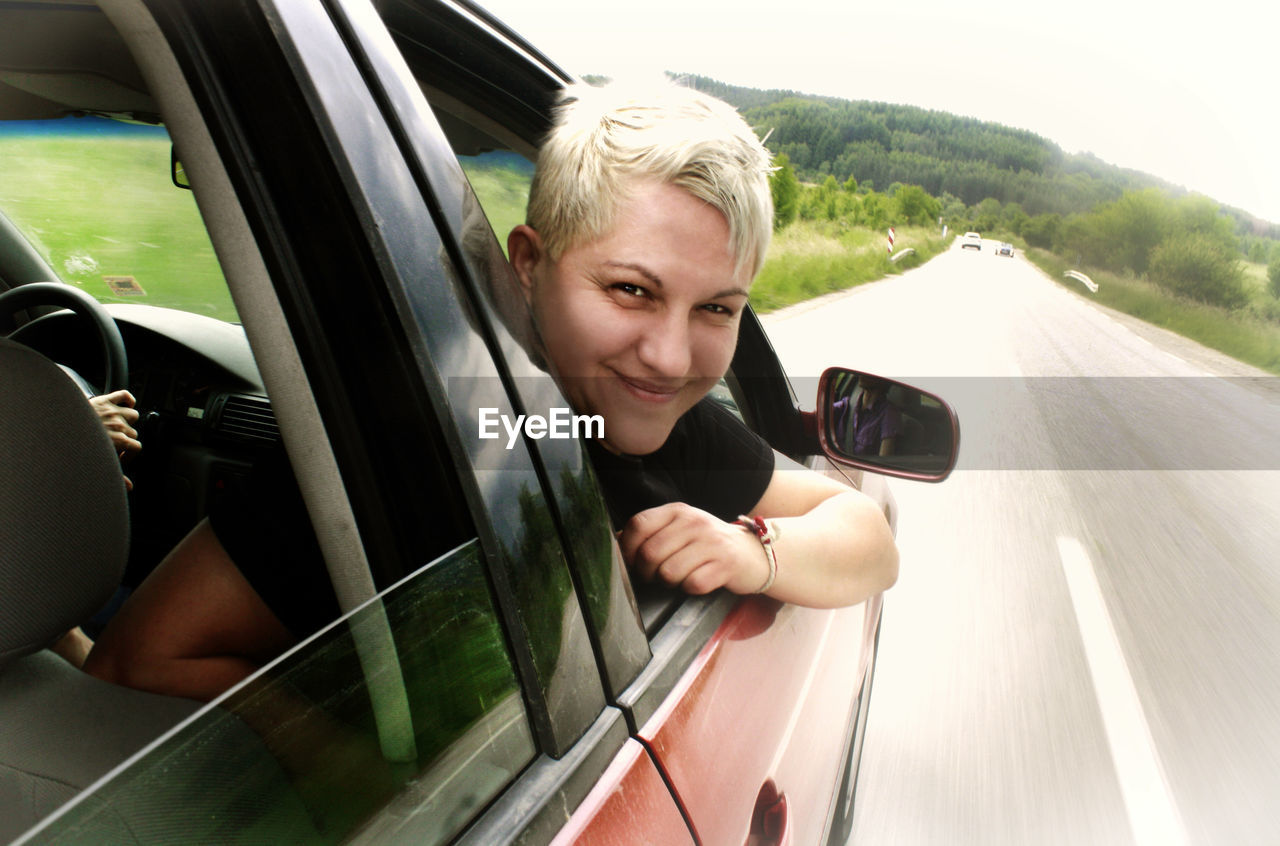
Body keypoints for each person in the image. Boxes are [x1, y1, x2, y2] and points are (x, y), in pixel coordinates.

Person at [85, 80, 897, 701]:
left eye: (716, 308)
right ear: (530, 264)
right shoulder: (417, 445)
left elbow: (868, 534)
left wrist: (755, 553)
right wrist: (338, 744)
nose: (670, 357)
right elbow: (138, 657)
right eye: (630, 291)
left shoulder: (665, 428)